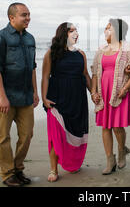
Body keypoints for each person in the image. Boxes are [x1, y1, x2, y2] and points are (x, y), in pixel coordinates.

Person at [0, 2, 39, 187]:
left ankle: (18, 169)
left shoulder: (30, 38)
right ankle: (7, 174)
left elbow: (32, 68)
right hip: (6, 98)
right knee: (3, 137)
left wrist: (35, 92)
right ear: (11, 18)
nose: (28, 18)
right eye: (24, 15)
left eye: (29, 14)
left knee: (27, 135)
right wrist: (2, 96)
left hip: (26, 96)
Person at [91, 19, 130, 175]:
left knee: (117, 127)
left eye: (109, 28)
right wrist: (94, 92)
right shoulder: (101, 49)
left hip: (119, 91)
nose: (106, 31)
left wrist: (126, 88)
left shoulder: (127, 48)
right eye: (105, 28)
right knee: (105, 126)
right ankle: (110, 160)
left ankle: (121, 150)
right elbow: (94, 73)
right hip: (103, 91)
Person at [41, 23, 91, 182]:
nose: (76, 33)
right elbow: (45, 77)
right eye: (71, 30)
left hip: (78, 100)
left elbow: (86, 76)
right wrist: (44, 97)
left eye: (77, 30)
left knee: (76, 133)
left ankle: (73, 163)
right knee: (56, 136)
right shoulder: (51, 53)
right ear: (63, 34)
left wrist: (95, 93)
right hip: (57, 99)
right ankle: (53, 169)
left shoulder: (80, 54)